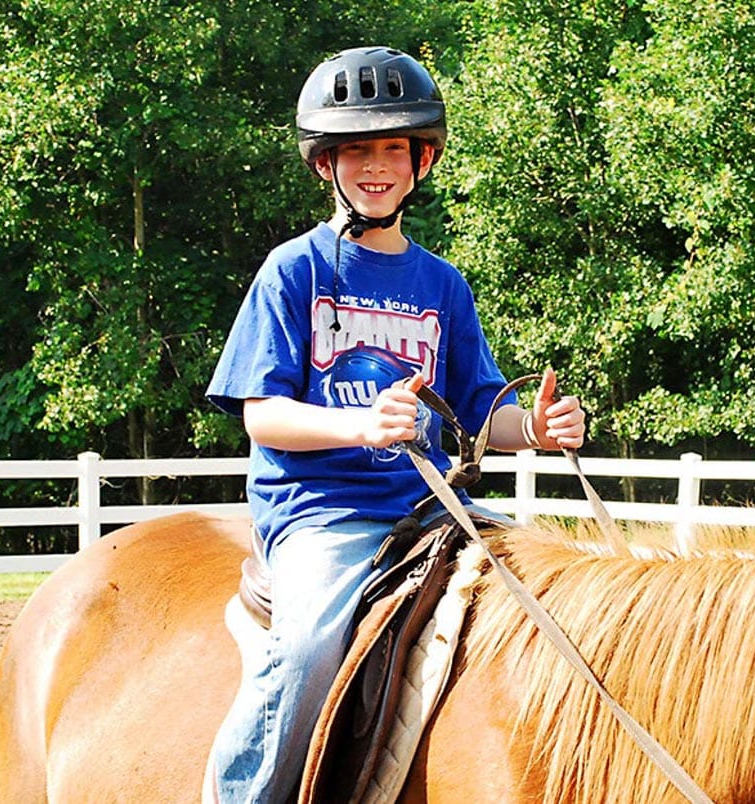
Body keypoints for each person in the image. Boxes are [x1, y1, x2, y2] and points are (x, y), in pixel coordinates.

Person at [203, 46, 586, 803]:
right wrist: (360, 427)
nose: (374, 166)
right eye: (355, 150)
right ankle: (239, 794)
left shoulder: (443, 284)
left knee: (558, 597)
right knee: (309, 647)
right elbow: (263, 415)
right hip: (321, 513)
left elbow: (480, 413)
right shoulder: (293, 271)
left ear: (422, 159)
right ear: (325, 164)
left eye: (391, 148)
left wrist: (534, 429)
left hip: (434, 508)